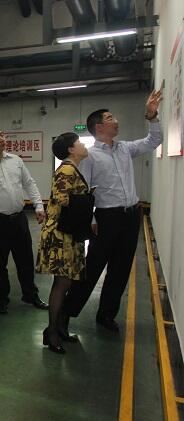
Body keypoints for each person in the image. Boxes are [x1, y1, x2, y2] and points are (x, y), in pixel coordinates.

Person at [62, 89, 163, 333]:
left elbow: (153, 141)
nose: (115, 121)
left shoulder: (124, 148)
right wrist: (91, 218)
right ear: (98, 127)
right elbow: (82, 191)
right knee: (93, 267)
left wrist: (152, 116)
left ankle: (106, 314)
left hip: (131, 215)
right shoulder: (90, 156)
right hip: (106, 218)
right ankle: (65, 314)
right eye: (110, 118)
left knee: (121, 268)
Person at [0, 124, 49, 314]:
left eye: (2, 135)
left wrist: (39, 205)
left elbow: (29, 183)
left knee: (25, 260)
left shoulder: (16, 161)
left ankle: (30, 294)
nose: (2, 139)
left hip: (19, 219)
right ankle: (1, 299)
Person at [35, 133, 89, 354]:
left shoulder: (72, 168)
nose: (83, 145)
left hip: (68, 232)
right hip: (60, 235)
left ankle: (58, 328)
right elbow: (62, 198)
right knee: (62, 283)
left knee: (66, 282)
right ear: (70, 150)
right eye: (79, 142)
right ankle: (52, 332)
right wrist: (88, 199)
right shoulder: (66, 170)